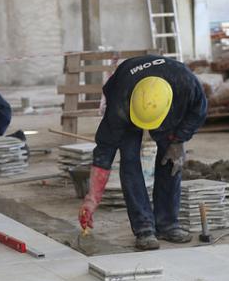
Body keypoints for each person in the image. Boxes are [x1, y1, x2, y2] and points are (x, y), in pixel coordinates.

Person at [78, 55, 207, 250]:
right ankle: (144, 228)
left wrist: (179, 139)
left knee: (171, 160)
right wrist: (92, 199)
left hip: (169, 101)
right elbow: (104, 151)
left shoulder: (186, 84)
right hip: (126, 95)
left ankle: (167, 224)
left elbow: (198, 112)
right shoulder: (119, 105)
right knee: (129, 161)